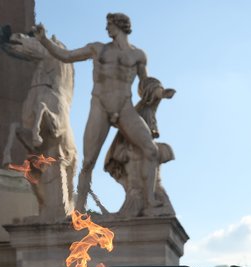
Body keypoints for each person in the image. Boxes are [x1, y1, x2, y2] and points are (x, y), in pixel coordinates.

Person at [36, 13, 163, 212]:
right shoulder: (98, 48)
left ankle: (150, 199)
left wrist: (156, 90)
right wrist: (44, 40)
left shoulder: (138, 55)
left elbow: (143, 85)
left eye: (110, 25)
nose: (107, 29)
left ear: (120, 26)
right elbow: (66, 56)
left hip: (124, 107)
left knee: (151, 150)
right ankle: (79, 209)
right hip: (100, 105)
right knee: (88, 161)